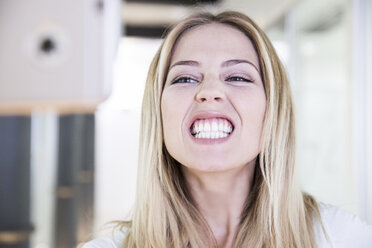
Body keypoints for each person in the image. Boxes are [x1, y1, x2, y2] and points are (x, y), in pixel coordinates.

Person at [83, 11, 372, 248]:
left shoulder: (344, 239)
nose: (209, 91)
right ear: (158, 111)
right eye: (184, 79)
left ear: (272, 109)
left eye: (236, 76)